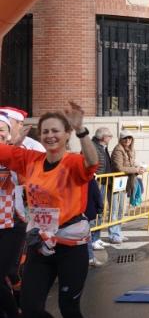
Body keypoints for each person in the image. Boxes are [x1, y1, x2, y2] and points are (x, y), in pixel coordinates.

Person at [0, 101, 99, 318]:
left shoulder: (73, 162)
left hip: (70, 245)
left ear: (67, 135)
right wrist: (12, 138)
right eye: (45, 131)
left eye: (55, 131)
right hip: (40, 243)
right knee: (30, 309)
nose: (50, 135)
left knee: (69, 309)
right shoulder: (31, 160)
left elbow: (92, 162)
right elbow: (3, 151)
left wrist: (81, 131)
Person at [0, 113, 25, 318]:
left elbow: (22, 179)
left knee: (7, 273)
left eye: (1, 129)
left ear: (8, 133)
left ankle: (18, 309)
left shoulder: (16, 152)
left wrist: (14, 151)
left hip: (11, 224)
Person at [109, 130, 145, 244]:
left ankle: (118, 232)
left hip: (124, 182)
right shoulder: (118, 150)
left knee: (121, 209)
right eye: (125, 138)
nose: (127, 140)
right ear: (120, 139)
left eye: (130, 138)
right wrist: (135, 170)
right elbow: (119, 167)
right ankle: (113, 235)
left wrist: (139, 168)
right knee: (114, 210)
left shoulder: (130, 150)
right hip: (115, 182)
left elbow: (131, 164)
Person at [90, 127, 115, 249]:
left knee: (100, 210)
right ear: (103, 137)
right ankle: (92, 240)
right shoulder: (92, 147)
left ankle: (97, 238)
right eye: (109, 136)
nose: (111, 138)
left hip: (103, 182)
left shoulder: (102, 147)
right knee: (95, 211)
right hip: (96, 183)